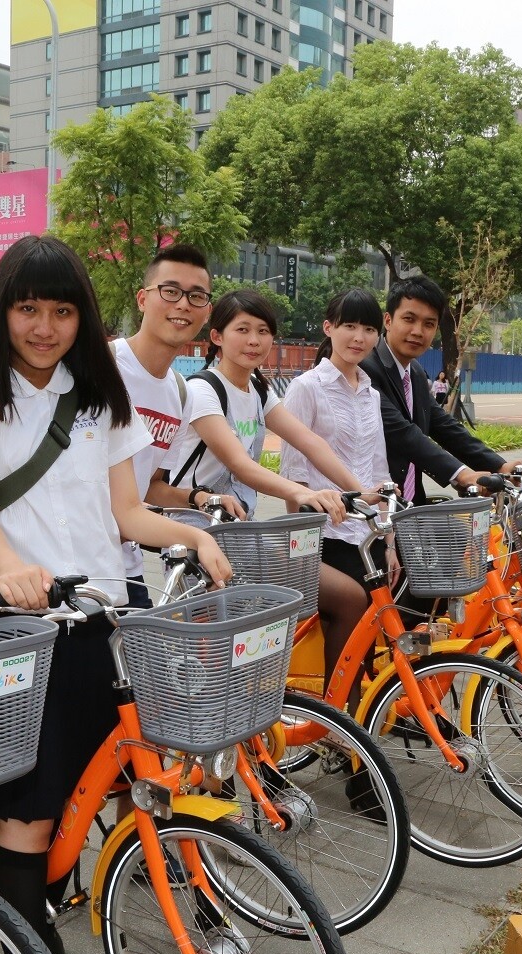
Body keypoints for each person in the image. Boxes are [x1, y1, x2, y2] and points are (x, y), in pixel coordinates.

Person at [0, 234, 232, 954]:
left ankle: (30, 934)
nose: (45, 326)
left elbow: (127, 513)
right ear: (1, 312)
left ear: (82, 318)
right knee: (29, 814)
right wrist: (14, 568)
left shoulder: (100, 399)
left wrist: (191, 537)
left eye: (62, 311)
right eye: (28, 307)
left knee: (101, 787)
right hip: (23, 628)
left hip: (100, 619)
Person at [278, 289, 398, 701]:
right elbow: (292, 475)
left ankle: (364, 710)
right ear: (329, 329)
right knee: (353, 610)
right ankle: (337, 713)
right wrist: (302, 547)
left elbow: (378, 472)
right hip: (326, 533)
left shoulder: (371, 392)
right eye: (349, 326)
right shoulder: (306, 388)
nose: (358, 337)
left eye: (368, 329)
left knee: (388, 610)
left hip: (366, 532)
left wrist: (389, 538)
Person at [108, 243, 238, 608]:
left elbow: (150, 487)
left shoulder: (180, 394)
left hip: (126, 566)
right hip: (66, 568)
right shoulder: (105, 367)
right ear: (142, 299)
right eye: (170, 291)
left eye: (196, 296)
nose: (183, 304)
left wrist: (197, 498)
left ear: (208, 311)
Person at [162, 287, 356, 520]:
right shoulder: (203, 390)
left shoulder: (258, 390)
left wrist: (360, 491)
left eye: (263, 331)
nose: (254, 341)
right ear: (217, 336)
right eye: (242, 330)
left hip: (239, 522)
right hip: (194, 520)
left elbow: (310, 442)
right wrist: (303, 493)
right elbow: (240, 465)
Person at [366, 275, 508, 503]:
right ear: (388, 320)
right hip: (373, 508)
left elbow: (444, 426)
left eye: (429, 324)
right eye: (409, 319)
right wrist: (461, 474)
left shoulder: (416, 373)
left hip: (411, 503)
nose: (418, 331)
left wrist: (499, 465)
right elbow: (402, 433)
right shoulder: (365, 370)